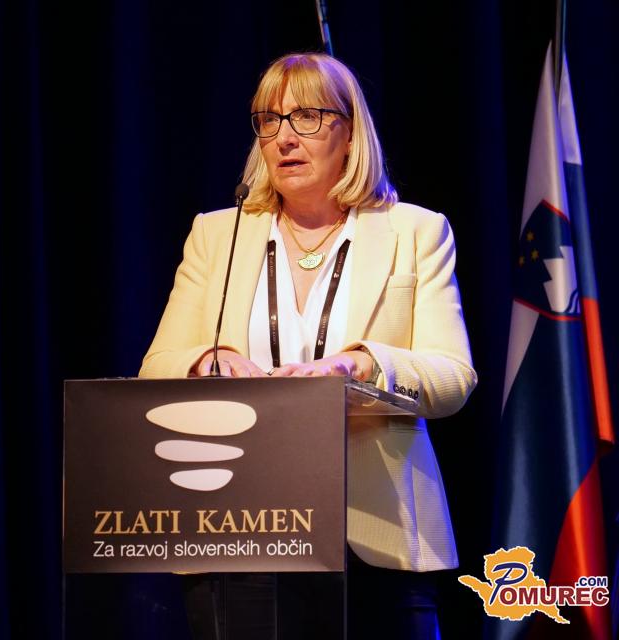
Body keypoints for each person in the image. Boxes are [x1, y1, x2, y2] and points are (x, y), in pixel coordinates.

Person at [139, 53, 477, 639]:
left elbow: (452, 377)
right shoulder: (218, 234)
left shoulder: (415, 231)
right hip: (236, 530)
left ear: (350, 133)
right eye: (269, 120)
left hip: (376, 534)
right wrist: (208, 361)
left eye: (308, 117)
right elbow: (156, 370)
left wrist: (361, 364)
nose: (284, 138)